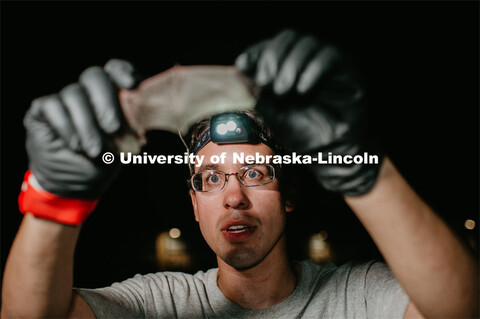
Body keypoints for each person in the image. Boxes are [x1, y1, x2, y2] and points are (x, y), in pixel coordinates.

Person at [1, 29, 478, 318]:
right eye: (210, 178)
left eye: (255, 173)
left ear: (288, 193)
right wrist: (53, 197)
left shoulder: (360, 296)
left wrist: (359, 164)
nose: (233, 198)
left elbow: (462, 309)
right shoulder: (157, 304)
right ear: (193, 202)